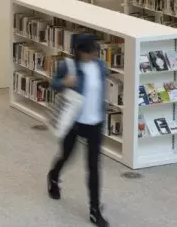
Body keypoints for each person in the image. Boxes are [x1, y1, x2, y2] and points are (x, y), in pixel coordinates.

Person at [47, 33, 110, 227]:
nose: (94, 54)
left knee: (93, 167)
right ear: (80, 52)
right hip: (75, 123)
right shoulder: (68, 66)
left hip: (95, 123)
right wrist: (65, 83)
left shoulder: (100, 66)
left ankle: (94, 210)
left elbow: (101, 91)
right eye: (90, 51)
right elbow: (53, 83)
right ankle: (54, 176)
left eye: (95, 51)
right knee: (66, 155)